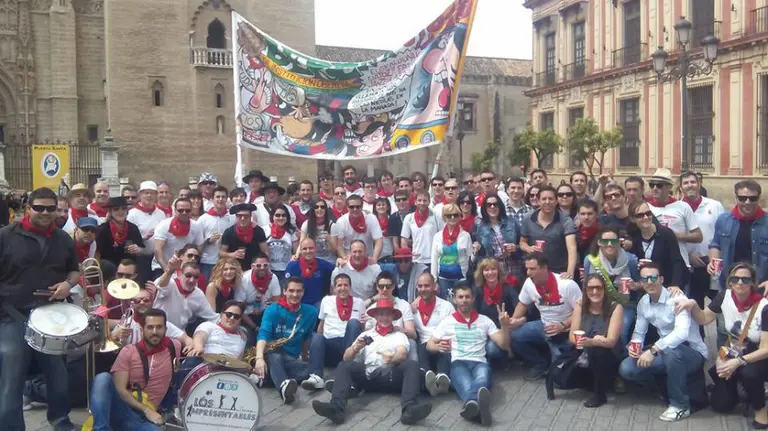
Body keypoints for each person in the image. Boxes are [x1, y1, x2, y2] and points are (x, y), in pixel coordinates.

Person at [0, 187, 79, 431]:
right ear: (27, 209)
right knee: (11, 379)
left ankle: (60, 420)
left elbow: (74, 271)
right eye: (39, 208)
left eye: (50, 208)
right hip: (12, 315)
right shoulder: (5, 236)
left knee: (58, 376)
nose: (45, 213)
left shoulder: (63, 238)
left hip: (52, 315)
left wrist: (68, 284)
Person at [311, 298, 433, 425]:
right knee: (344, 366)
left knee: (411, 365)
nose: (384, 318)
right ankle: (336, 408)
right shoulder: (366, 335)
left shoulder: (399, 335)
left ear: (393, 317)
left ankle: (410, 409)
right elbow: (346, 358)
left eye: (387, 314)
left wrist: (392, 359)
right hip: (368, 378)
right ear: (375, 316)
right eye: (381, 314)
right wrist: (355, 348)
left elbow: (402, 353)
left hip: (390, 376)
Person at [675, 262, 768, 428]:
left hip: (759, 356)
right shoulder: (724, 297)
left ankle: (760, 409)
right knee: (720, 405)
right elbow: (704, 318)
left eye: (745, 280)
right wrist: (693, 305)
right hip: (734, 349)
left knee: (749, 373)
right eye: (735, 279)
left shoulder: (764, 307)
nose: (740, 283)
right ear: (729, 282)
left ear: (752, 283)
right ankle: (741, 388)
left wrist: (738, 362)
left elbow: (765, 349)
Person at [618, 262, 709, 422]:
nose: (650, 282)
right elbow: (639, 332)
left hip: (691, 353)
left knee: (672, 351)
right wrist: (634, 346)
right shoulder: (644, 302)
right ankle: (665, 384)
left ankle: (680, 405)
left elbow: (681, 333)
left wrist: (654, 350)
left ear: (661, 279)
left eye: (653, 277)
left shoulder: (677, 298)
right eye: (645, 278)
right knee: (627, 368)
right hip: (665, 351)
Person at [428, 282, 509, 425]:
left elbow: (503, 344)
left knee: (482, 380)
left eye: (467, 297)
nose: (464, 300)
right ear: (454, 299)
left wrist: (504, 326)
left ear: (473, 299)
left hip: (479, 362)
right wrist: (438, 347)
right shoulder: (448, 321)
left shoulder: (485, 320)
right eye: (460, 297)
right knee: (468, 385)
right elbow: (429, 345)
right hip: (458, 362)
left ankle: (472, 406)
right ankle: (478, 407)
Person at [89, 309, 180, 431]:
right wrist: (146, 409)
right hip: (123, 410)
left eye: (159, 327)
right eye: (150, 327)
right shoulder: (129, 351)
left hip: (144, 420)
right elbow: (119, 390)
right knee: (102, 378)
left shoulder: (175, 346)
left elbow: (196, 338)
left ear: (166, 330)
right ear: (142, 330)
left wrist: (197, 344)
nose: (154, 332)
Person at [508, 253, 581, 379]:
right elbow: (522, 303)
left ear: (544, 268)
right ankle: (539, 364)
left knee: (558, 377)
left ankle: (555, 365)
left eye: (532, 269)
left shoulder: (567, 285)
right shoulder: (529, 283)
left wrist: (563, 325)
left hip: (564, 330)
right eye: (527, 269)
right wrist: (513, 321)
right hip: (543, 325)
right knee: (514, 336)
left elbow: (581, 310)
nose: (528, 273)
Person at [253, 277, 319, 404]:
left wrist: (305, 356)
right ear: (284, 291)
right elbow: (263, 335)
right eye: (291, 291)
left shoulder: (311, 312)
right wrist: (259, 358)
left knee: (310, 370)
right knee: (275, 357)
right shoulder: (272, 310)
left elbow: (307, 337)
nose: (295, 294)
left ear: (303, 292)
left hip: (291, 358)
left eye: (298, 291)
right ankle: (283, 387)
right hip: (271, 353)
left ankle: (265, 378)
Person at [568, 275, 624, 408]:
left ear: (604, 290)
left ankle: (600, 394)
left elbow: (611, 341)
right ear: (585, 290)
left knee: (597, 350)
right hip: (584, 351)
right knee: (564, 382)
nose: (594, 292)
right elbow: (571, 336)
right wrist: (580, 341)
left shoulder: (615, 308)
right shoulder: (580, 306)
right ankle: (594, 381)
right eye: (590, 288)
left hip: (609, 353)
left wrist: (592, 342)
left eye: (598, 288)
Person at [304, 274, 364, 391]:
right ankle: (316, 377)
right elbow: (321, 325)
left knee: (353, 323)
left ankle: (347, 373)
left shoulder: (359, 302)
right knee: (317, 337)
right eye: (339, 285)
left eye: (346, 285)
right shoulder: (326, 301)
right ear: (334, 288)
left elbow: (361, 328)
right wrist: (317, 344)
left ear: (350, 288)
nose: (342, 288)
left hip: (349, 344)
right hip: (330, 344)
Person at [583, 226, 641, 346]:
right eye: (605, 241)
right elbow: (586, 285)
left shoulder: (631, 260)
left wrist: (636, 285)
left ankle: (622, 358)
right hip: (599, 304)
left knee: (622, 330)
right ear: (599, 242)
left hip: (626, 304)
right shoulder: (590, 260)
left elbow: (642, 284)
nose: (609, 244)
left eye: (613, 241)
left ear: (619, 242)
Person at [709, 179, 768, 290]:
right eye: (742, 198)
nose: (747, 202)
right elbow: (715, 244)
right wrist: (713, 261)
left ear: (759, 199)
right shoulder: (723, 220)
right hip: (730, 285)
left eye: (752, 198)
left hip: (760, 286)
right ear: (736, 198)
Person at [646, 168, 703, 272]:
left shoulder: (682, 206)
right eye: (652, 185)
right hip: (653, 266)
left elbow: (698, 236)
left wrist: (673, 235)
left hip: (679, 264)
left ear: (669, 187)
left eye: (659, 185)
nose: (654, 188)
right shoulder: (645, 208)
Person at [628, 201, 688, 290]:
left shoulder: (665, 233)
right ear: (633, 219)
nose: (646, 217)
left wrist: (675, 285)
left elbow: (677, 261)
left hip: (671, 284)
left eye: (648, 213)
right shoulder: (635, 237)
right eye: (640, 215)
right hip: (651, 286)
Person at [519, 186, 578, 278]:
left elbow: (572, 247)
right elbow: (522, 242)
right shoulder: (528, 218)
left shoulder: (566, 221)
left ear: (556, 201)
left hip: (558, 272)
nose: (547, 202)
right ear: (538, 201)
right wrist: (528, 248)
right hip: (534, 271)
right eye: (544, 199)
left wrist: (570, 272)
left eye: (550, 199)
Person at [410, 273, 454, 395]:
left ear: (435, 287)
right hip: (424, 345)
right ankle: (427, 376)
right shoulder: (412, 308)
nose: (423, 289)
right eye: (420, 286)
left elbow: (450, 330)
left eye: (427, 286)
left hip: (442, 342)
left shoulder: (446, 306)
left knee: (443, 346)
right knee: (421, 345)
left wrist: (435, 344)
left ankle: (442, 377)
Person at [152, 259, 217, 333]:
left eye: (196, 277)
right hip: (157, 331)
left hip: (180, 335)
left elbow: (213, 318)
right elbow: (161, 286)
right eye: (188, 275)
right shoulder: (170, 283)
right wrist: (170, 271)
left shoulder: (198, 294)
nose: (192, 280)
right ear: (179, 274)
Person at [236, 255, 282, 345]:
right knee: (248, 341)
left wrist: (268, 323)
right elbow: (239, 308)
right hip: (247, 317)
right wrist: (255, 327)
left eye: (265, 265)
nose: (262, 268)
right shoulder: (244, 279)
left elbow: (277, 303)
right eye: (258, 265)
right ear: (252, 266)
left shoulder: (273, 278)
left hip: (266, 315)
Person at [431, 203, 472, 299]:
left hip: (461, 277)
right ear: (444, 217)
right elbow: (434, 258)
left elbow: (470, 257)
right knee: (447, 304)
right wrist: (434, 280)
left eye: (455, 215)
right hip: (443, 278)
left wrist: (475, 252)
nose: (452, 217)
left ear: (459, 217)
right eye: (449, 215)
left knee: (461, 304)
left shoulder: (465, 236)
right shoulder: (437, 236)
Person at [284, 238, 335, 307]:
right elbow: (287, 289)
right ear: (300, 251)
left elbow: (337, 271)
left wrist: (339, 260)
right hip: (298, 302)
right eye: (305, 249)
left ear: (315, 249)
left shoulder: (323, 265)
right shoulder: (292, 266)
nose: (308, 251)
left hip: (317, 303)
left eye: (311, 248)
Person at [96, 196, 145, 266]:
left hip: (130, 268)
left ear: (127, 211)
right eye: (116, 209)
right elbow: (97, 253)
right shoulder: (102, 230)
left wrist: (138, 249)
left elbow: (142, 249)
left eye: (124, 208)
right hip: (108, 269)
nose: (120, 211)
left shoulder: (133, 228)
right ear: (110, 212)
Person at [220, 203, 268, 271]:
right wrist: (232, 254)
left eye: (246, 216)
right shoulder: (229, 232)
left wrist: (266, 267)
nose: (243, 218)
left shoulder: (258, 231)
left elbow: (265, 252)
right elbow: (221, 253)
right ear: (236, 217)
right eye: (240, 216)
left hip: (254, 270)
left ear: (250, 216)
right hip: (234, 270)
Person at [298, 198, 337, 264]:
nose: (319, 209)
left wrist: (329, 239)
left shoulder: (332, 225)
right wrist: (296, 255)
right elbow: (301, 244)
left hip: (329, 261)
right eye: (316, 207)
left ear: (326, 209)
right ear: (313, 209)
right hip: (312, 261)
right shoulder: (306, 224)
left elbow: (335, 249)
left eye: (322, 207)